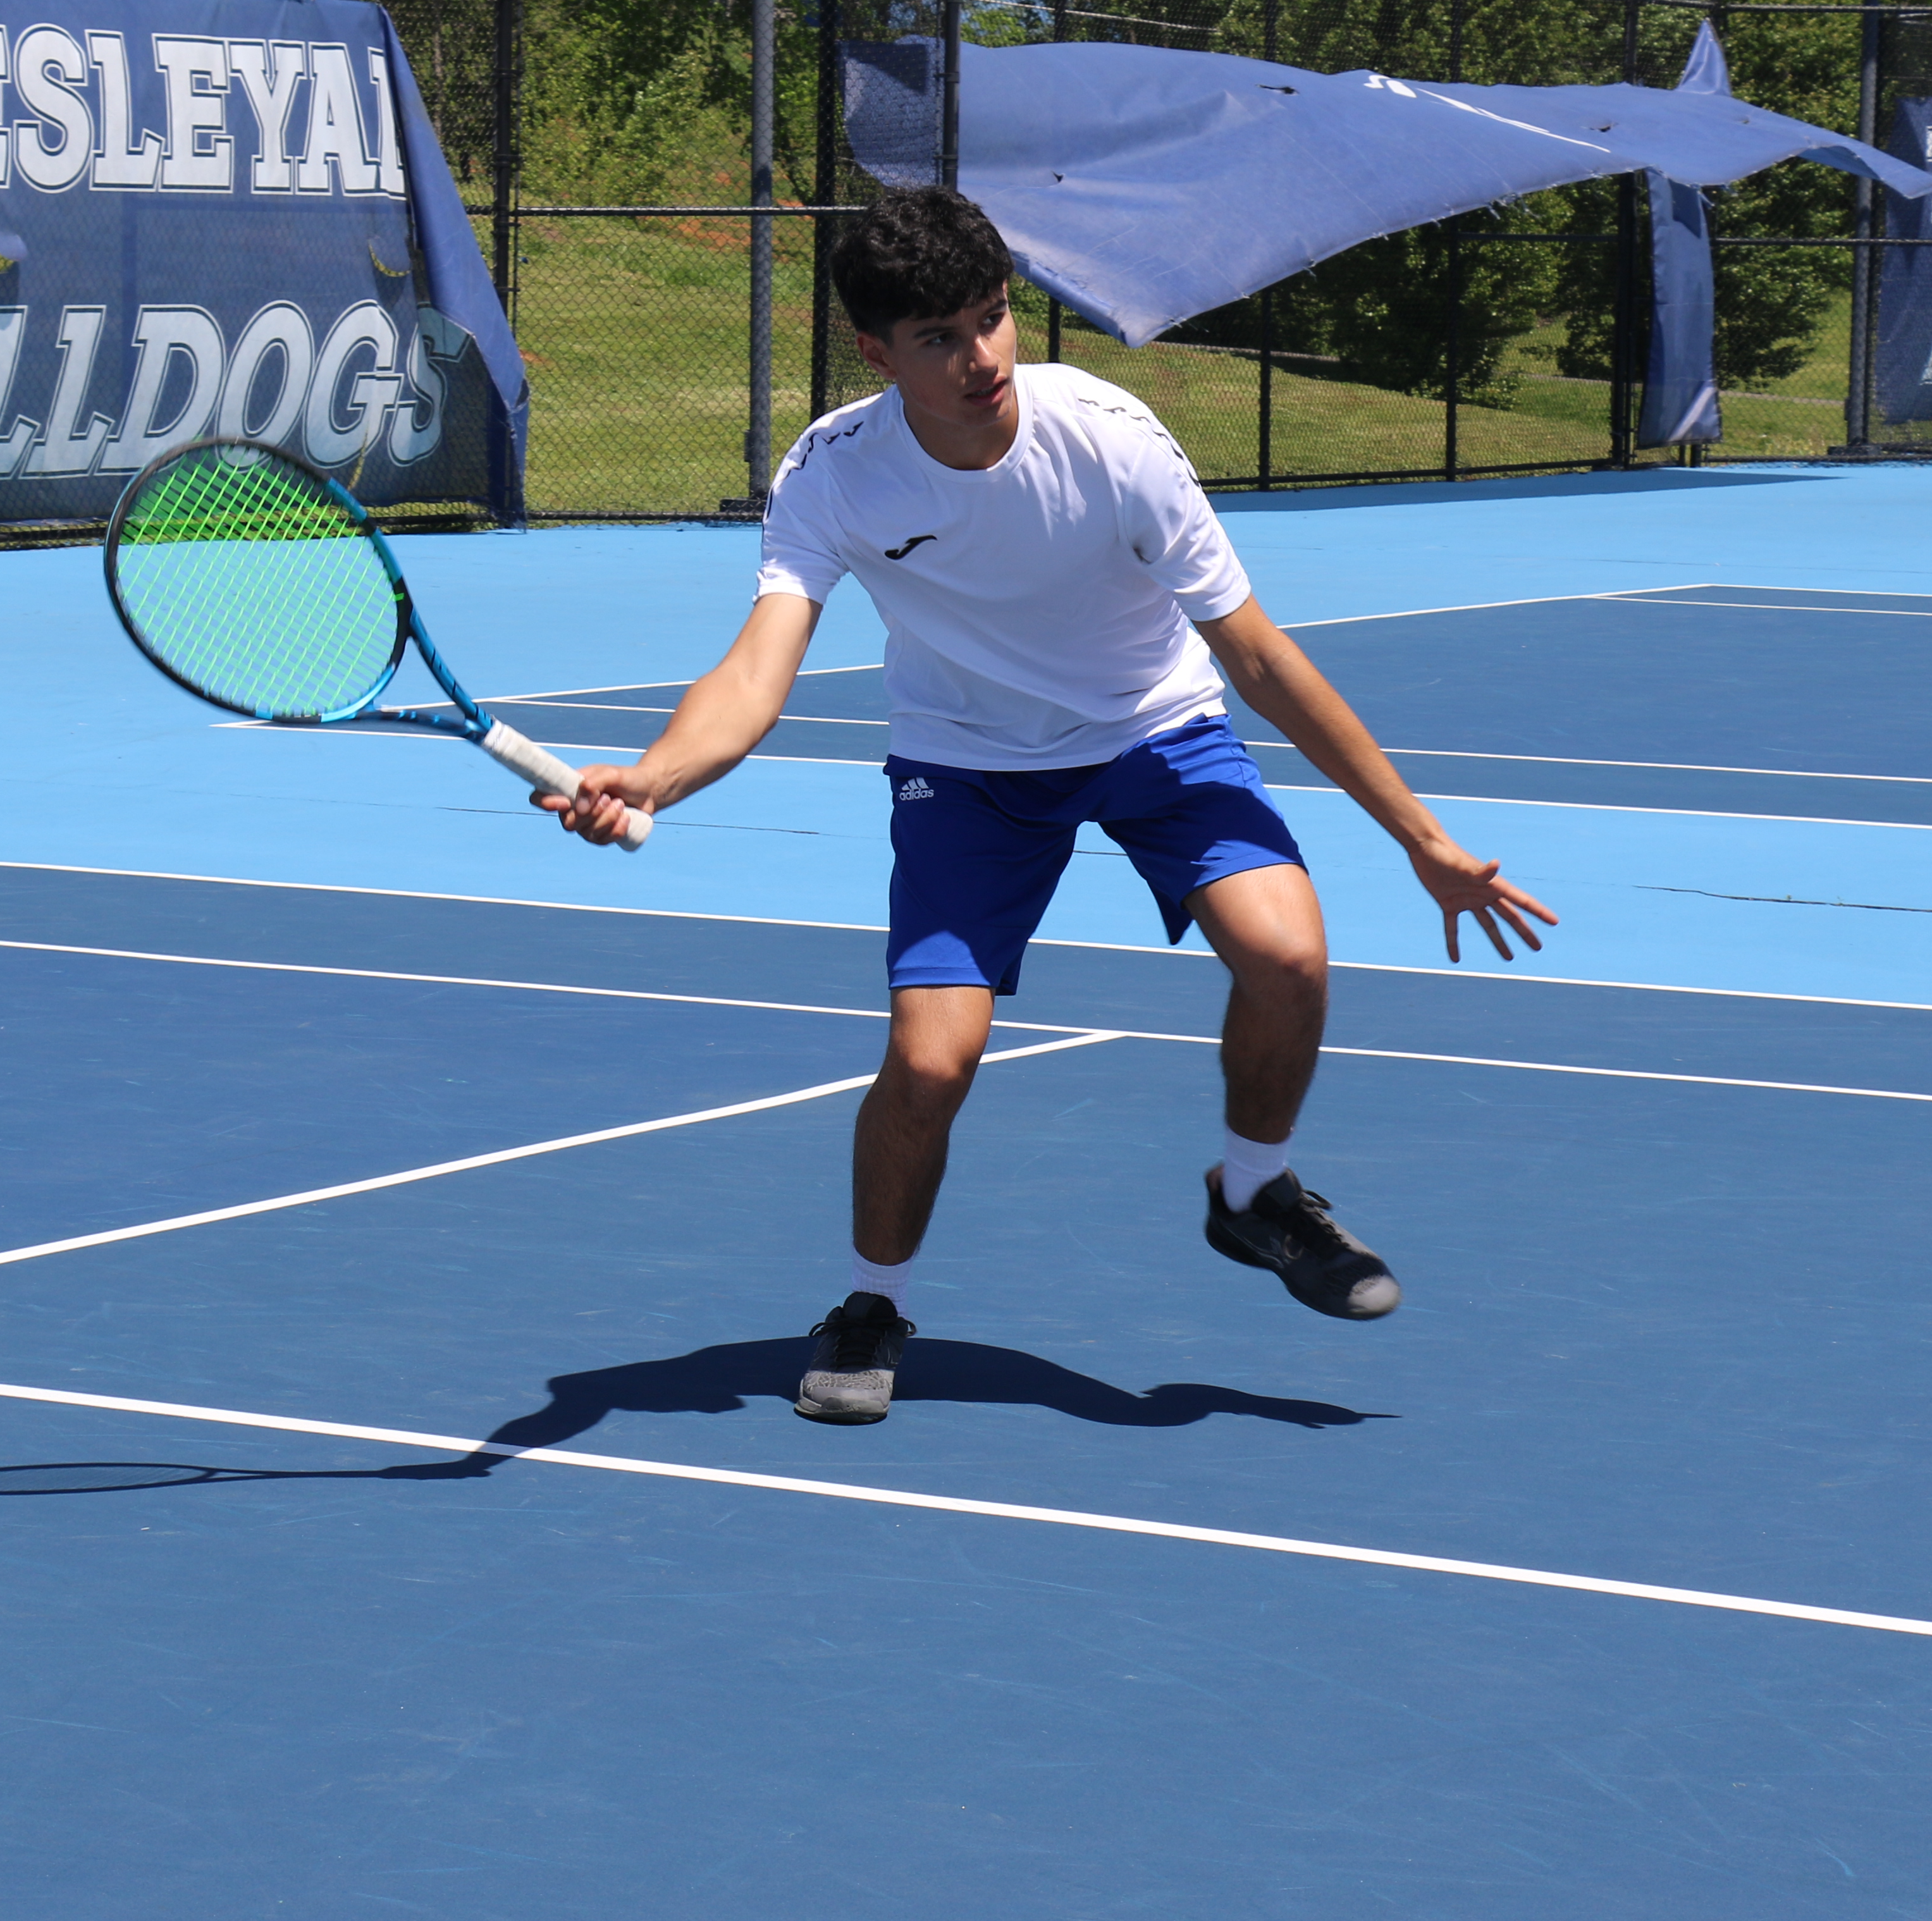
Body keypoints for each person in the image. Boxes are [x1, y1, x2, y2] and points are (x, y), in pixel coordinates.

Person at [545, 187, 1554, 1423]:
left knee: (1289, 955)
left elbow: (1259, 659)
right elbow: (759, 672)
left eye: (991, 319)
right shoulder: (834, 473)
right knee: (931, 1059)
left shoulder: (1111, 437)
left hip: (1156, 732)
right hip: (969, 769)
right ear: (877, 352)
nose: (981, 361)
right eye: (939, 339)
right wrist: (655, 774)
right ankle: (871, 1301)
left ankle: (1254, 1195)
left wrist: (1424, 840)